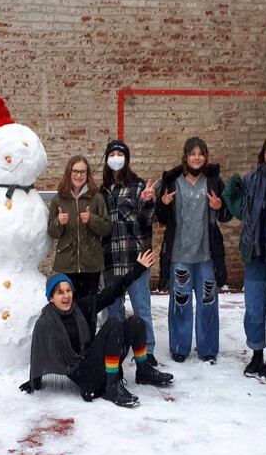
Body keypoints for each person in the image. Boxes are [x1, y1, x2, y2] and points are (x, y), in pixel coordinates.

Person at [19, 250, 173, 408]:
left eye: (68, 291)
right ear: (51, 298)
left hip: (96, 361)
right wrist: (34, 380)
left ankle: (143, 371)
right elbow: (39, 353)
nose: (66, 296)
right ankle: (111, 386)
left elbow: (111, 292)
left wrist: (137, 269)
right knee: (113, 324)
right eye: (59, 293)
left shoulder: (80, 308)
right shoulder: (46, 322)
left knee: (136, 322)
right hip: (85, 377)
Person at [222, 134, 266, 381]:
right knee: (253, 310)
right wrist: (230, 193)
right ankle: (256, 353)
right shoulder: (251, 179)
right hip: (255, 254)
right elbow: (240, 211)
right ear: (263, 154)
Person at [156, 137, 233, 364]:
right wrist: (163, 203)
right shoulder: (172, 182)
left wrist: (219, 207)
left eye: (201, 153)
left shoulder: (214, 181)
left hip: (206, 255)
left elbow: (227, 214)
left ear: (206, 157)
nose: (196, 157)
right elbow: (160, 218)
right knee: (180, 300)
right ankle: (180, 347)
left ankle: (208, 348)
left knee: (208, 300)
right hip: (179, 254)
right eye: (192, 153)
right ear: (185, 156)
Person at [100, 140, 159, 365]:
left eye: (120, 154)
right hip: (111, 261)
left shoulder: (138, 186)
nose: (116, 157)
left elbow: (148, 220)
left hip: (136, 260)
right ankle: (118, 347)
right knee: (114, 311)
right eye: (112, 154)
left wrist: (147, 201)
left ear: (126, 158)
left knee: (141, 308)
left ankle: (147, 352)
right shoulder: (102, 191)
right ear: (106, 159)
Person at [48, 155, 111, 335]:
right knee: (66, 307)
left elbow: (106, 228)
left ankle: (88, 344)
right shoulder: (59, 200)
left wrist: (91, 219)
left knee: (88, 308)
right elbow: (53, 232)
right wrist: (59, 221)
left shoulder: (96, 198)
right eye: (75, 171)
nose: (79, 175)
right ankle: (68, 344)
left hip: (90, 264)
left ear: (87, 174)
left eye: (82, 171)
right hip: (66, 263)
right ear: (69, 173)